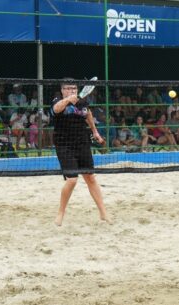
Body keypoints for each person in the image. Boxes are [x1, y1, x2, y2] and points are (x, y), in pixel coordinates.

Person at [51, 78, 109, 226]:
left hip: (82, 142)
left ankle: (103, 213)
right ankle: (60, 214)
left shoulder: (82, 101)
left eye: (74, 89)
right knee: (72, 180)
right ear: (63, 90)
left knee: (90, 177)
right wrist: (69, 100)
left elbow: (88, 113)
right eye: (69, 89)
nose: (72, 91)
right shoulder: (57, 100)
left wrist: (95, 132)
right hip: (64, 144)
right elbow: (56, 109)